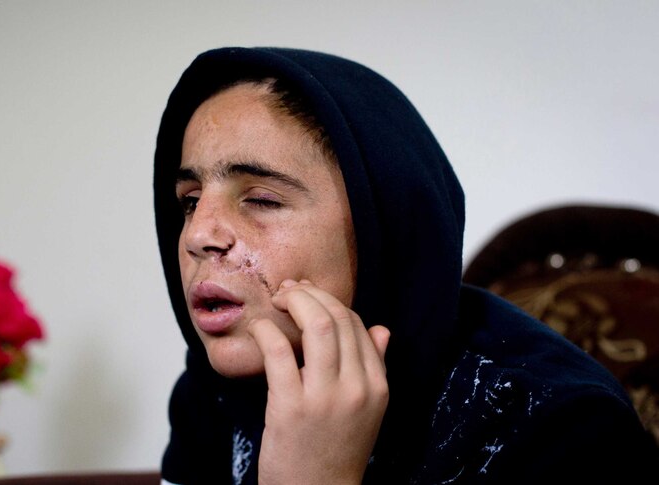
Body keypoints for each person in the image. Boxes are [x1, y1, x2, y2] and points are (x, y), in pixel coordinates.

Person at [152, 47, 658, 485]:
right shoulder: (214, 389)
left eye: (261, 198)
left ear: (384, 225)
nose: (198, 235)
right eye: (190, 200)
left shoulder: (566, 430)